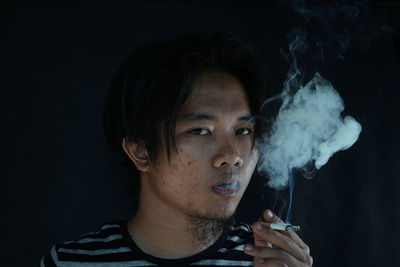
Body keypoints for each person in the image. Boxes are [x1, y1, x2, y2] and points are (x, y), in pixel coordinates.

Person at [41, 32, 312, 267]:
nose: (233, 156)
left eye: (243, 131)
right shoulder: (71, 262)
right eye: (200, 131)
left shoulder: (270, 261)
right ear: (141, 151)